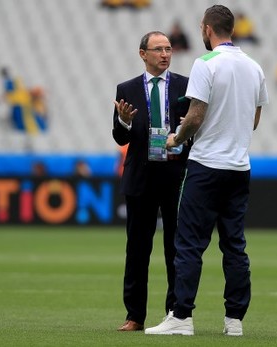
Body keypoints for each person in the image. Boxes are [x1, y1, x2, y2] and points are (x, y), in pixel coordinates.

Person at [145, 5, 268, 336]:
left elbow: (196, 115)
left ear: (207, 29)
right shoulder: (254, 67)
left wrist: (176, 138)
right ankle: (234, 321)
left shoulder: (205, 63)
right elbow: (254, 120)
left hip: (206, 166)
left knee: (189, 243)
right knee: (234, 245)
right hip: (239, 167)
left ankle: (182, 317)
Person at [112, 31, 190, 332]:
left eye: (168, 49)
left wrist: (185, 135)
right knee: (137, 249)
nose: (165, 54)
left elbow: (195, 127)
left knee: (177, 249)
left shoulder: (185, 85)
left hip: (175, 175)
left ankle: (175, 313)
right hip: (141, 176)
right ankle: (134, 316)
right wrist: (125, 122)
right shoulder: (127, 88)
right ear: (143, 53)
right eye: (158, 49)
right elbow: (120, 137)